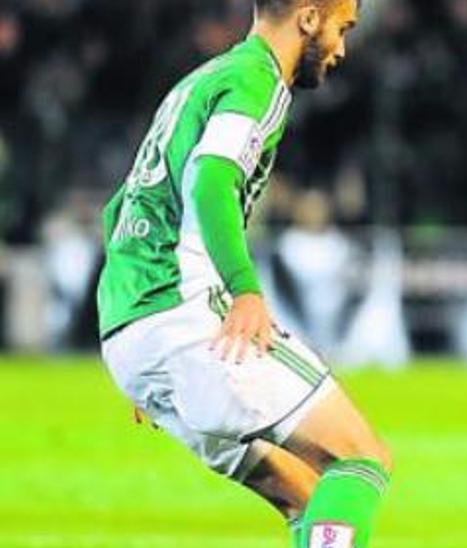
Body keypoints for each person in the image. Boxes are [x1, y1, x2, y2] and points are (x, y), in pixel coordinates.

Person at [96, 1, 391, 546]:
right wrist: (246, 289)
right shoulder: (257, 82)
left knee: (306, 495)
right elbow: (212, 182)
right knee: (360, 457)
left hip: (133, 327)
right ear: (308, 19)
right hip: (188, 314)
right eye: (341, 29)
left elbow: (121, 207)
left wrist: (138, 343)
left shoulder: (201, 80)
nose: (342, 49)